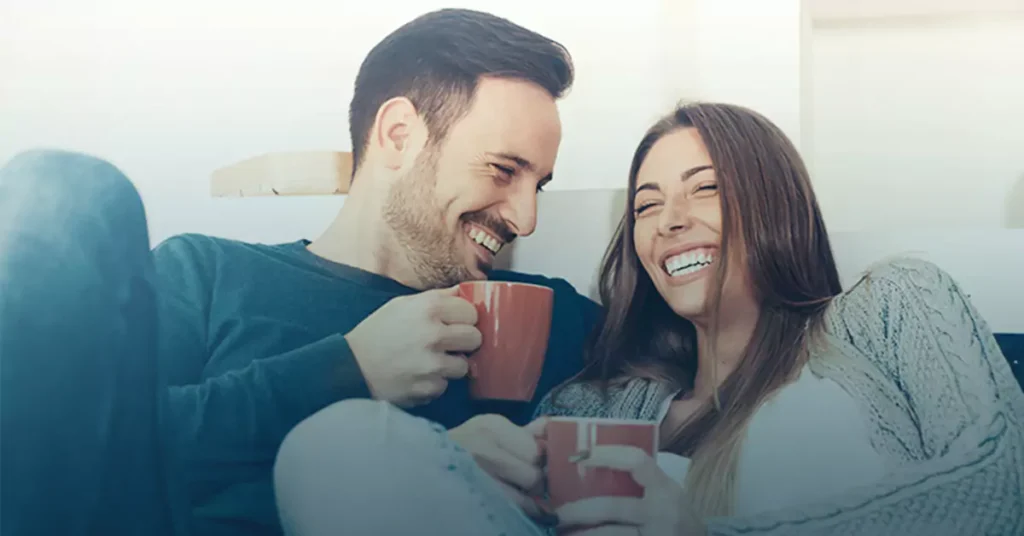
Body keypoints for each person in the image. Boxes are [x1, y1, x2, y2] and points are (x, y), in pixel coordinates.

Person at [271, 102, 1024, 536]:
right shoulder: (592, 405)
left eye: (705, 189)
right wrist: (466, 468)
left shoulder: (892, 308)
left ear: (775, 200)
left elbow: (1006, 489)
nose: (669, 222)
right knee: (331, 447)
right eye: (646, 205)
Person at [0, 8, 603, 536]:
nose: (526, 219)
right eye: (502, 171)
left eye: (539, 186)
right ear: (399, 135)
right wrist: (345, 370)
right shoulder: (208, 274)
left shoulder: (541, 313)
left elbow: (693, 353)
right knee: (67, 190)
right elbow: (83, 453)